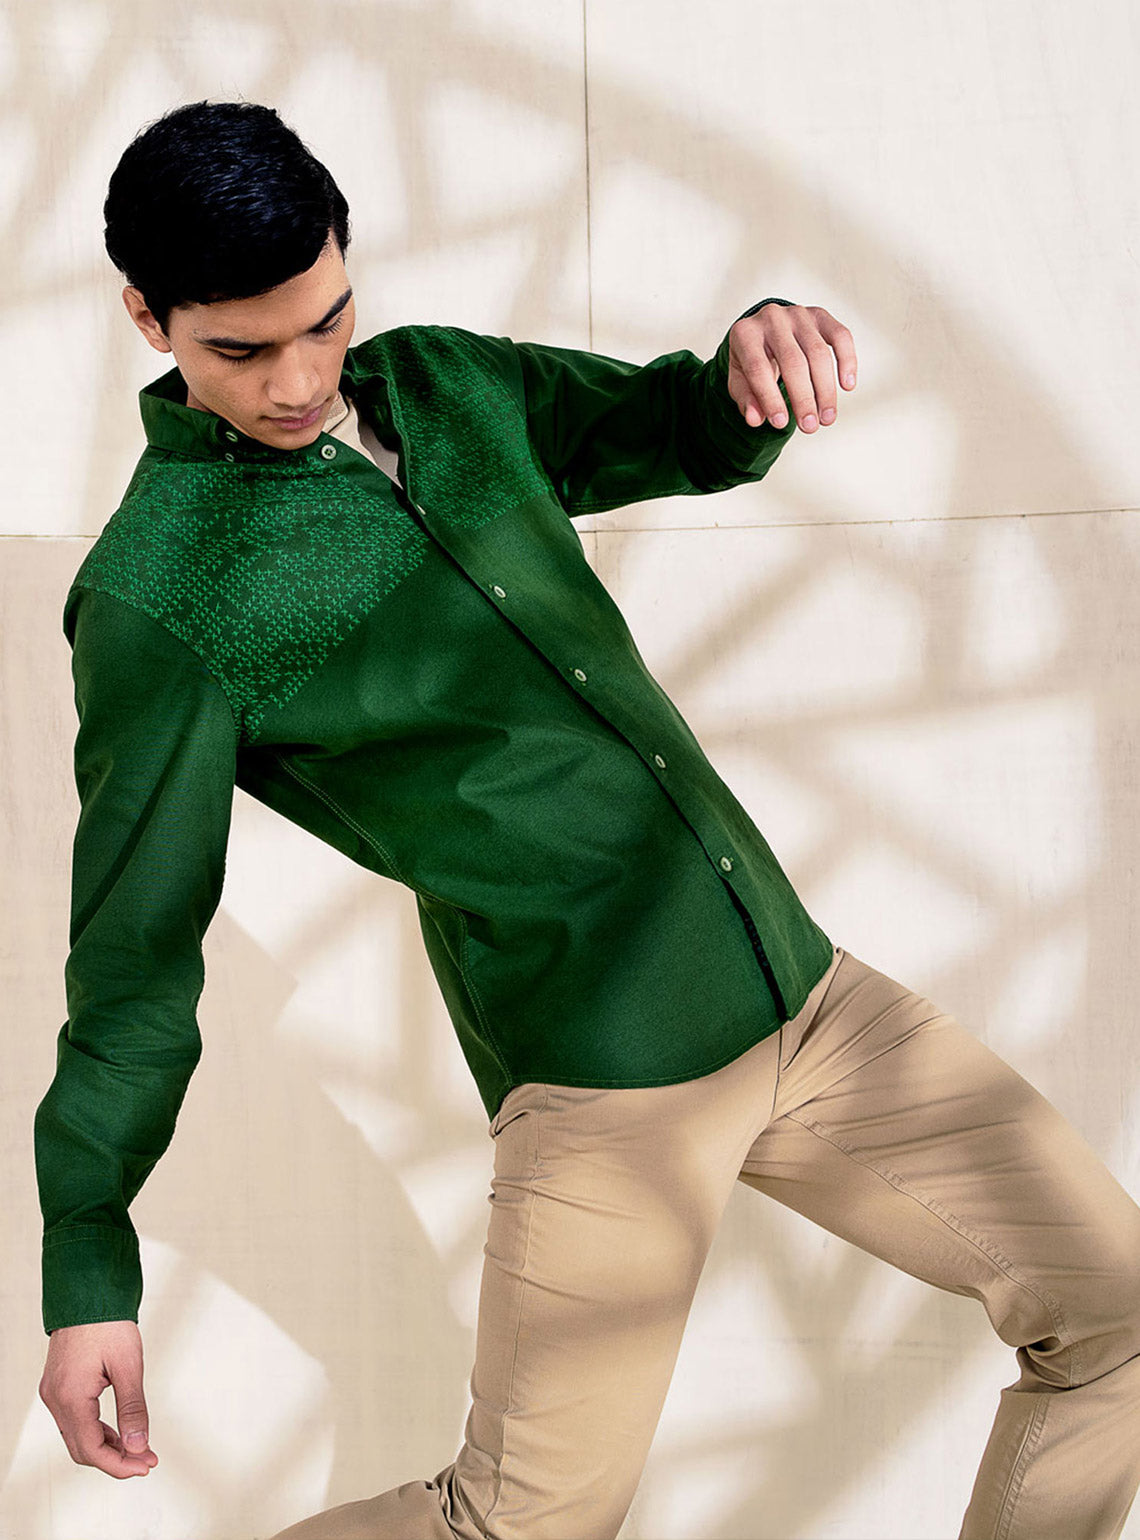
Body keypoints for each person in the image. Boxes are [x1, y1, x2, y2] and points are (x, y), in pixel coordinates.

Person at [33, 97, 1140, 1540]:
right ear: (147, 317)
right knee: (520, 1526)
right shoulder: (165, 594)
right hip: (608, 1085)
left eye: (327, 321)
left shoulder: (445, 386)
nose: (301, 379)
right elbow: (135, 951)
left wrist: (752, 357)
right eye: (243, 351)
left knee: (1118, 1316)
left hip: (808, 997)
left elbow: (668, 424)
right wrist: (88, 1265)